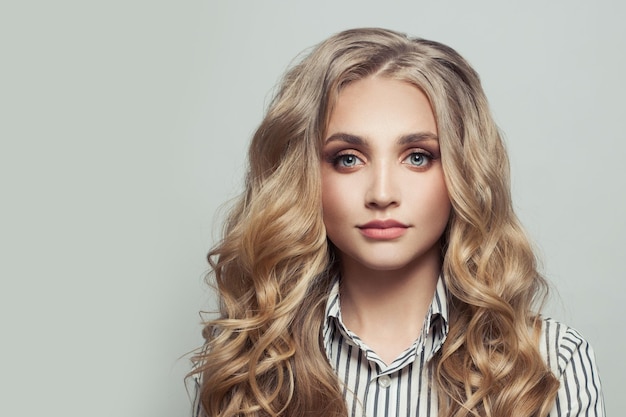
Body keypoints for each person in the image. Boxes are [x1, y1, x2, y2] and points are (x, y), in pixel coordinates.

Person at [189, 28, 604, 417]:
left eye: (418, 157)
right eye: (348, 159)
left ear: (463, 173)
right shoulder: (245, 367)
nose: (382, 193)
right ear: (305, 177)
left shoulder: (551, 362)